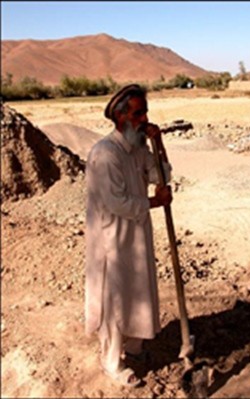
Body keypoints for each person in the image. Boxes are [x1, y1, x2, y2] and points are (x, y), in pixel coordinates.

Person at [85, 84, 172, 387]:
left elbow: (162, 174)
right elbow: (115, 202)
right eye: (138, 113)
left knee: (138, 289)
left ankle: (133, 347)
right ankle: (111, 362)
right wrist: (154, 202)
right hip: (112, 239)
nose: (144, 118)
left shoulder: (138, 148)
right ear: (121, 118)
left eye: (145, 111)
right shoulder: (105, 154)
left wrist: (158, 144)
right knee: (115, 297)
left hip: (137, 233)